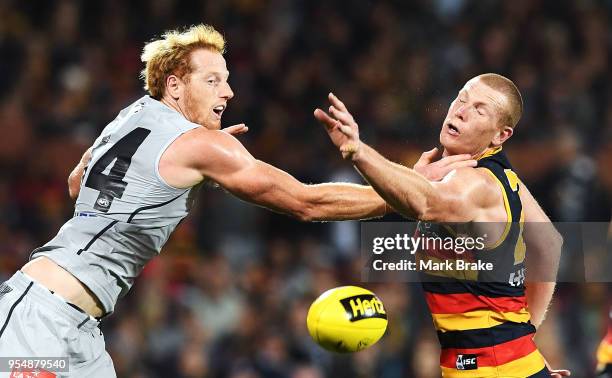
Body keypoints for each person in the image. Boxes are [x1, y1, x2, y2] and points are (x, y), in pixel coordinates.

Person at [0, 24, 417, 378]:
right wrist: (402, 194)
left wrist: (183, 167)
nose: (229, 91)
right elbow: (307, 202)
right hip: (39, 321)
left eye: (228, 78)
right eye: (213, 80)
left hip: (74, 322)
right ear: (175, 86)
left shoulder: (131, 114)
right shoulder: (201, 144)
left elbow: (78, 184)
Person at [315, 74, 571, 377]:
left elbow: (422, 202)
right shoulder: (505, 177)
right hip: (506, 365)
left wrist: (359, 152)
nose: (461, 110)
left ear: (501, 135)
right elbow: (549, 243)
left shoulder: (475, 184)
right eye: (461, 98)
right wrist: (522, 343)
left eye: (479, 110)